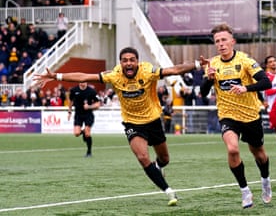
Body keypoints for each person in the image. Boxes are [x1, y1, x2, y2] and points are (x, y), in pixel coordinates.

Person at [33, 46, 208, 206]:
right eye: (125, 60)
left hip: (153, 121)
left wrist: (197, 64)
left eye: (132, 59)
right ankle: (169, 192)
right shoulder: (114, 75)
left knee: (165, 159)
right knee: (142, 157)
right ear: (121, 63)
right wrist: (56, 76)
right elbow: (85, 76)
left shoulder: (148, 71)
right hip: (132, 123)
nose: (128, 63)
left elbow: (174, 70)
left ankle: (159, 168)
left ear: (137, 62)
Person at [200, 23, 272, 208]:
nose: (221, 44)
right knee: (232, 149)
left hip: (250, 115)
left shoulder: (245, 61)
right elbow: (203, 92)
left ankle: (265, 181)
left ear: (232, 41)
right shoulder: (213, 64)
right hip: (227, 115)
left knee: (260, 154)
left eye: (224, 40)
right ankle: (245, 191)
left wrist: (245, 88)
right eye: (217, 41)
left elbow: (266, 82)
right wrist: (208, 79)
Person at [68, 82, 101, 157]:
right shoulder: (74, 90)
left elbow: (98, 104)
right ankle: (83, 132)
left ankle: (89, 152)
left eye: (85, 81)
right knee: (76, 133)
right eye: (81, 81)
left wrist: (89, 107)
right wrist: (69, 111)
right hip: (78, 114)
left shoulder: (92, 91)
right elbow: (71, 101)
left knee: (87, 133)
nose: (83, 83)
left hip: (88, 114)